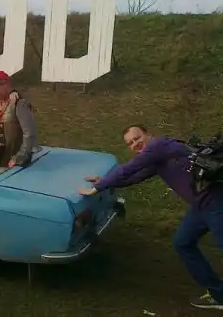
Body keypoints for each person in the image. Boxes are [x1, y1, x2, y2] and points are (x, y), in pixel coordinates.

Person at [77, 124, 223, 310]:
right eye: (130, 143)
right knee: (183, 243)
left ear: (148, 134)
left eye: (137, 138)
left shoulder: (158, 146)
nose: (135, 144)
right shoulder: (157, 158)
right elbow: (135, 176)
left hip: (216, 204)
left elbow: (128, 168)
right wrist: (104, 182)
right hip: (201, 207)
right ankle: (218, 294)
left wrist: (97, 188)